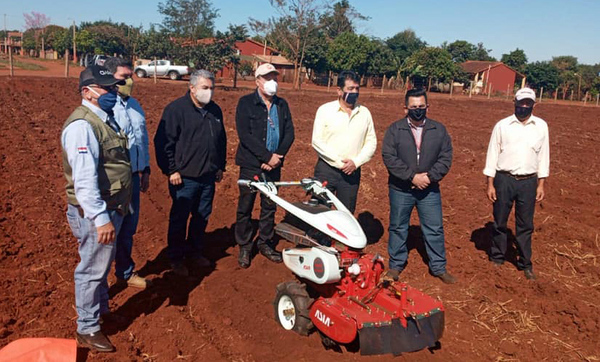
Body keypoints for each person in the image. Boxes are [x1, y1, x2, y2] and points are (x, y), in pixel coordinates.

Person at [61, 65, 129, 352]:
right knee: (91, 268)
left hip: (111, 206)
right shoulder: (82, 127)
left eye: (114, 86)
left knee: (100, 265)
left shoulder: (104, 117)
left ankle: (100, 308)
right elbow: (84, 182)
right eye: (107, 88)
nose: (114, 91)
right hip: (96, 213)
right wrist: (101, 219)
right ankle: (87, 328)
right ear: (87, 92)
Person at [154, 70, 227, 277]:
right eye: (205, 88)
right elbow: (163, 142)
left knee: (202, 216)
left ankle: (194, 252)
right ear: (192, 88)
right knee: (179, 217)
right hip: (183, 177)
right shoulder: (176, 110)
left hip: (207, 176)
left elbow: (221, 141)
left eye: (212, 88)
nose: (209, 92)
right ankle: (176, 258)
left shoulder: (215, 111)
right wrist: (171, 170)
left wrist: (220, 166)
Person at [381, 88, 456, 284]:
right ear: (405, 108)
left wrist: (429, 178)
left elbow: (445, 157)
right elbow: (389, 157)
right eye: (413, 107)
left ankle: (438, 267)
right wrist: (411, 177)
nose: (418, 110)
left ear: (427, 107)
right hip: (401, 189)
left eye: (421, 106)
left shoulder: (438, 130)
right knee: (398, 227)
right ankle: (396, 265)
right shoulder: (394, 130)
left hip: (429, 190)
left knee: (434, 228)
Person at [483, 88, 549, 280]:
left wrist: (541, 184)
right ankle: (497, 257)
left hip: (528, 182)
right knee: (499, 221)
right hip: (504, 179)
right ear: (515, 102)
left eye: (528, 103)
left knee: (525, 225)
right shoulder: (502, 126)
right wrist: (490, 183)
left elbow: (543, 156)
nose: (524, 107)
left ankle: (525, 263)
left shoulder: (541, 126)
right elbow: (492, 154)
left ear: (534, 104)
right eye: (521, 103)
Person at [234, 63, 295, 268]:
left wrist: (277, 157)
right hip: (251, 164)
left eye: (275, 78)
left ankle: (265, 242)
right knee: (246, 205)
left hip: (275, 164)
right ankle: (244, 244)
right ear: (257, 81)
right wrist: (266, 156)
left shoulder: (282, 104)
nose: (273, 82)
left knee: (269, 205)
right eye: (268, 78)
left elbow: (289, 133)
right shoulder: (246, 103)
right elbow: (245, 135)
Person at [104, 57, 151, 289]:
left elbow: (142, 139)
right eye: (124, 77)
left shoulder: (135, 105)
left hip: (134, 176)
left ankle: (124, 271)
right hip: (114, 181)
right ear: (111, 77)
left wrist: (146, 170)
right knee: (109, 230)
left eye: (130, 76)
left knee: (128, 229)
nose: (129, 81)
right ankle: (100, 282)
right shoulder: (105, 107)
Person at [311, 70, 376, 213]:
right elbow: (317, 141)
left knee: (347, 213)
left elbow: (371, 142)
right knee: (320, 212)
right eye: (350, 89)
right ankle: (317, 236)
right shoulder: (325, 110)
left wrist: (356, 162)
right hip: (326, 170)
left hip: (351, 173)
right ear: (339, 91)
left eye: (357, 88)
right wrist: (340, 163)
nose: (354, 92)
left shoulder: (364, 113)